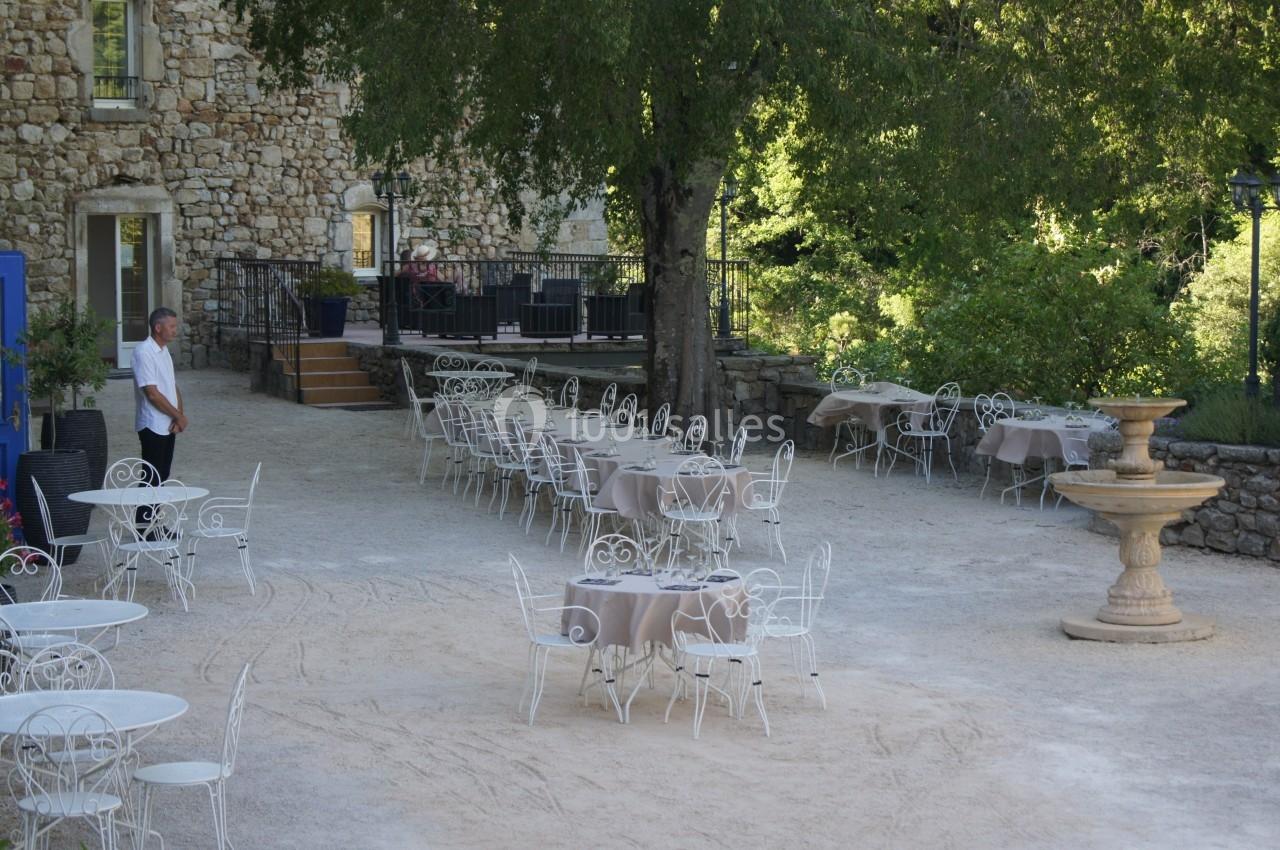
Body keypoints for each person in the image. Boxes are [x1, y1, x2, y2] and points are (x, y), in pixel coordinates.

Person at [132, 307, 186, 526]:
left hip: (168, 423)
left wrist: (178, 416)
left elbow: (171, 385)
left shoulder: (163, 351)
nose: (175, 330)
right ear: (158, 327)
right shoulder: (143, 352)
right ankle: (144, 526)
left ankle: (156, 523)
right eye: (171, 326)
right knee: (151, 477)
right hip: (152, 423)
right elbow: (152, 393)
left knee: (162, 475)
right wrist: (177, 415)